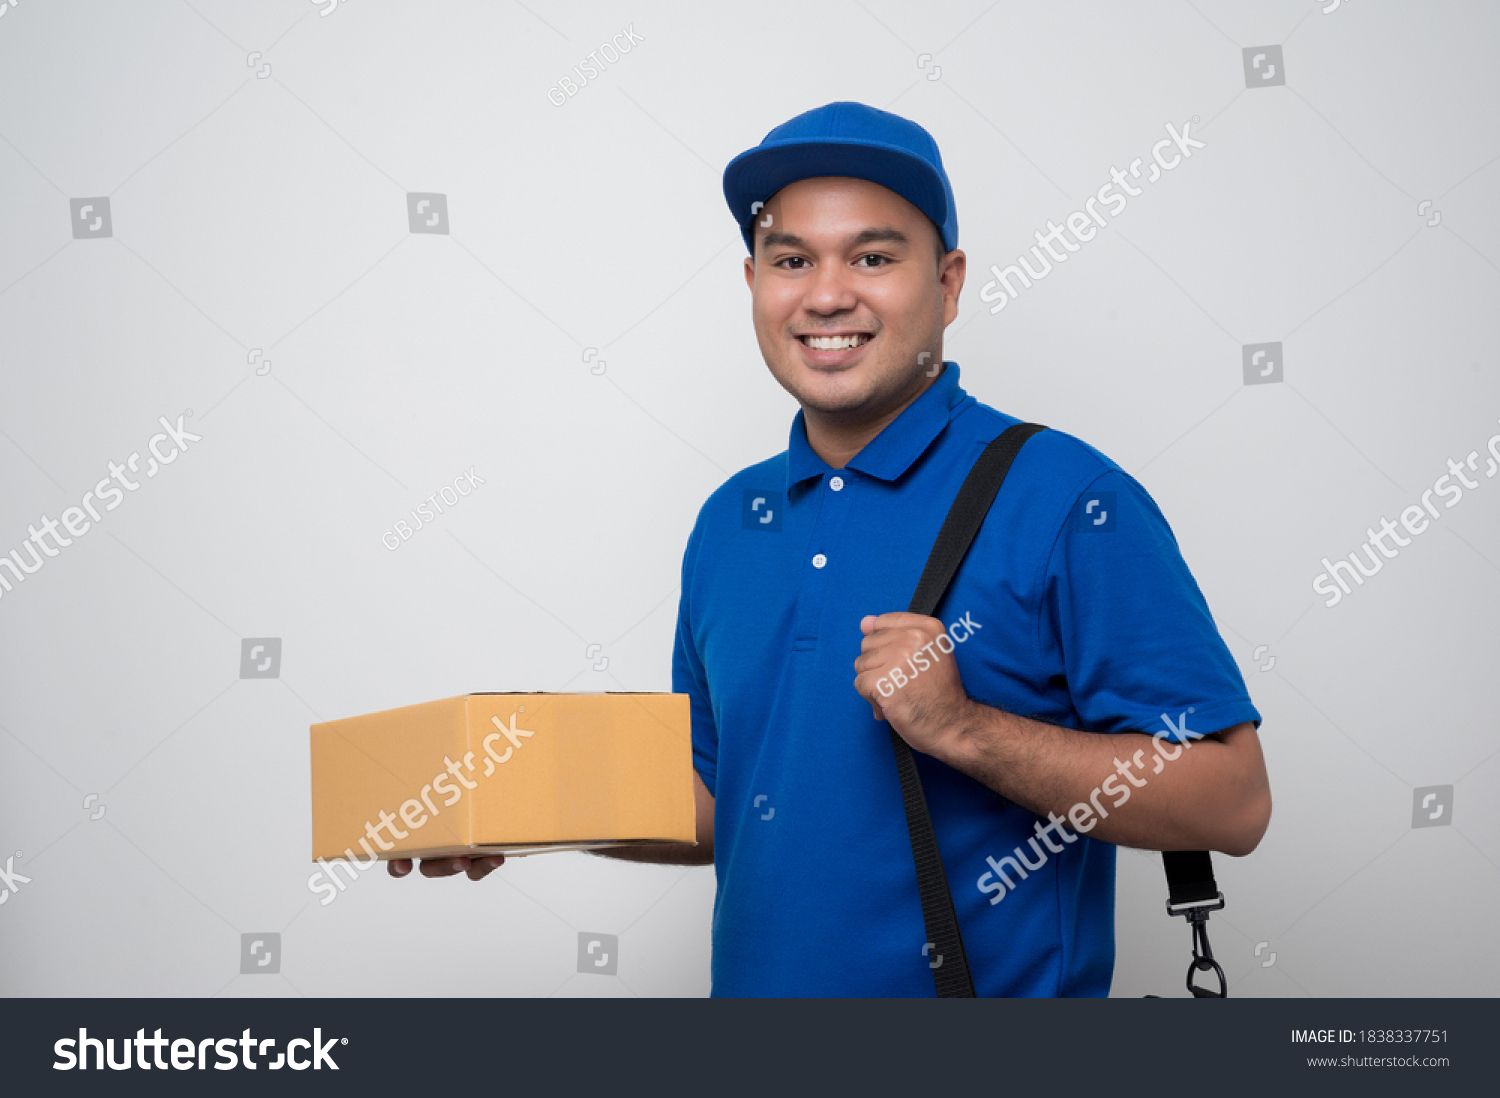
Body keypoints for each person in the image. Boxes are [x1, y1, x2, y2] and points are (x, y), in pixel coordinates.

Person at [391, 101, 1271, 997]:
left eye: (874, 257)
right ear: (753, 284)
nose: (825, 294)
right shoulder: (730, 521)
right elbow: (716, 802)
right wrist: (523, 796)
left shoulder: (1067, 499)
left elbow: (1231, 799)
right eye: (791, 260)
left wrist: (963, 729)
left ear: (950, 283)